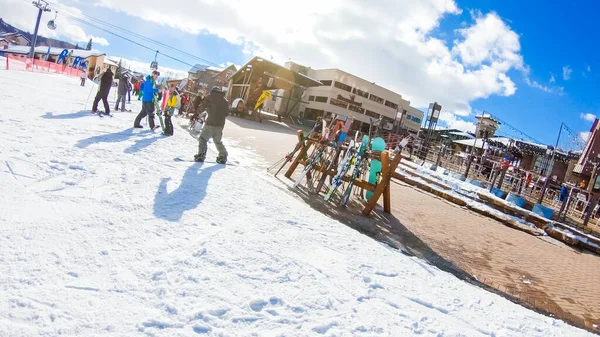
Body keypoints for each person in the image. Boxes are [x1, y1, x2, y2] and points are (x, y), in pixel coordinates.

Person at [194, 87, 229, 164]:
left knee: (203, 139)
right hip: (220, 125)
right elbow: (226, 113)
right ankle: (223, 156)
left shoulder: (210, 97)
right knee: (218, 141)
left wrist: (197, 112)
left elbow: (202, 106)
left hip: (210, 123)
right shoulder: (225, 101)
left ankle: (201, 155)